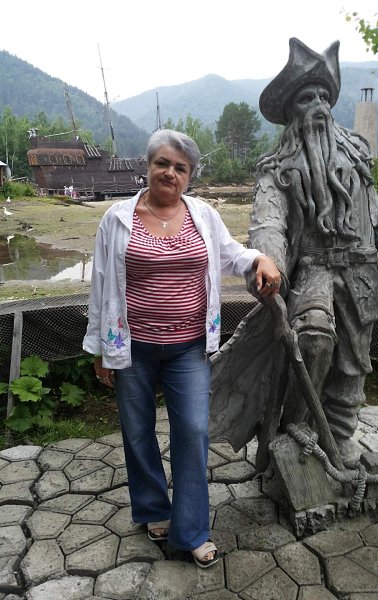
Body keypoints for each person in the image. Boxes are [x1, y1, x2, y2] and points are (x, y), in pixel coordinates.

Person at [209, 38, 378, 469]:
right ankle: (293, 429)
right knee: (313, 340)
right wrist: (269, 263)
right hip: (312, 270)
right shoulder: (277, 168)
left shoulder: (354, 158)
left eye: (324, 96)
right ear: (291, 111)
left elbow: (376, 212)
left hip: (360, 274)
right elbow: (268, 222)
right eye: (306, 97)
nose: (318, 105)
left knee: (353, 363)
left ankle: (339, 435)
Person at [82, 129, 281, 568]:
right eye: (162, 163)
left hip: (188, 347)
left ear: (189, 176)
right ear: (147, 166)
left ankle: (190, 530)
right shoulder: (117, 219)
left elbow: (232, 255)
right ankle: (153, 509)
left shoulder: (203, 216)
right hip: (131, 347)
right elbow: (101, 284)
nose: (170, 173)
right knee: (137, 432)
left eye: (180, 167)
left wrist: (260, 259)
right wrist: (99, 349)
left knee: (192, 430)